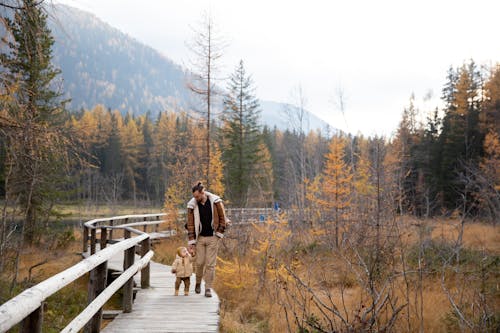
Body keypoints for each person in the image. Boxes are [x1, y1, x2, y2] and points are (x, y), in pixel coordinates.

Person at [186, 182, 227, 297]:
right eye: (194, 197)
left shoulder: (216, 202)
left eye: (197, 196)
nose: (195, 198)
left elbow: (223, 218)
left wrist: (219, 234)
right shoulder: (192, 205)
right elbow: (190, 225)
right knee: (199, 263)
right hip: (200, 238)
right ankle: (198, 282)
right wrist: (192, 242)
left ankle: (208, 288)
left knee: (210, 264)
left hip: (213, 237)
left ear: (202, 193)